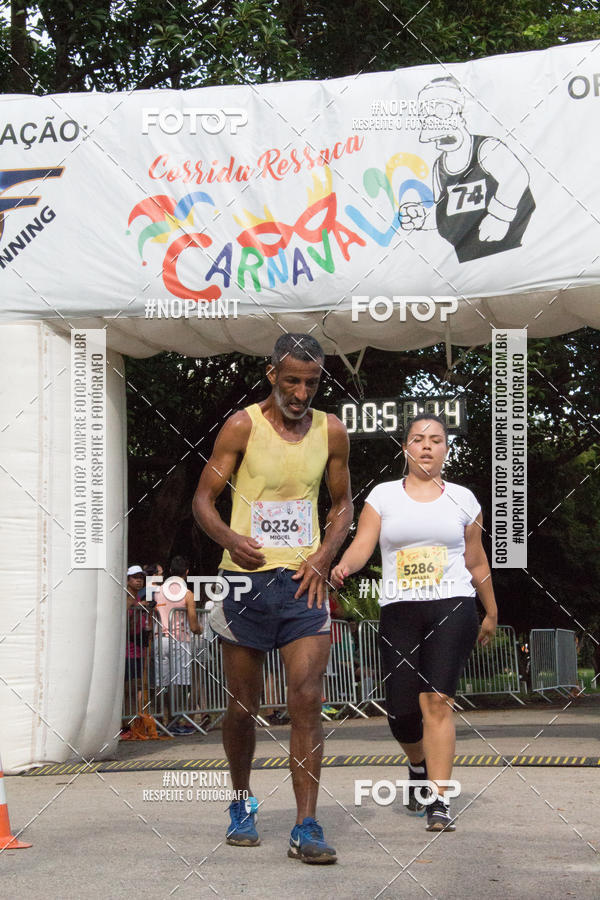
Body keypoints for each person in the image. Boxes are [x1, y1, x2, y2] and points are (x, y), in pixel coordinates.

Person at [192, 333, 353, 864]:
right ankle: (241, 802)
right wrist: (232, 539)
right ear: (271, 376)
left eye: (311, 383)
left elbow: (343, 505)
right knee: (243, 707)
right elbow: (203, 501)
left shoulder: (331, 430)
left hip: (303, 582)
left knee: (306, 700)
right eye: (292, 381)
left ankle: (306, 826)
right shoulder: (243, 425)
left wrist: (325, 556)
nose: (301, 392)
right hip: (244, 580)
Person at [331, 413, 497, 832]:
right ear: (405, 448)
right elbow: (362, 545)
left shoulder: (463, 498)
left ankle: (439, 801)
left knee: (436, 701)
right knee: (402, 712)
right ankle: (418, 765)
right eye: (418, 439)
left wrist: (491, 609)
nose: (427, 446)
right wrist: (342, 568)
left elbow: (476, 560)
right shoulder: (383, 497)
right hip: (401, 609)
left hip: (452, 605)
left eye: (436, 440)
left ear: (446, 449)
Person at [153, 556, 203, 734]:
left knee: (162, 682)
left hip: (160, 639)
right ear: (187, 572)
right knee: (180, 682)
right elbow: (193, 622)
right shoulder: (187, 594)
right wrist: (198, 629)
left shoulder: (158, 591)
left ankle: (161, 718)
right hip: (179, 640)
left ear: (171, 571)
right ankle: (175, 719)